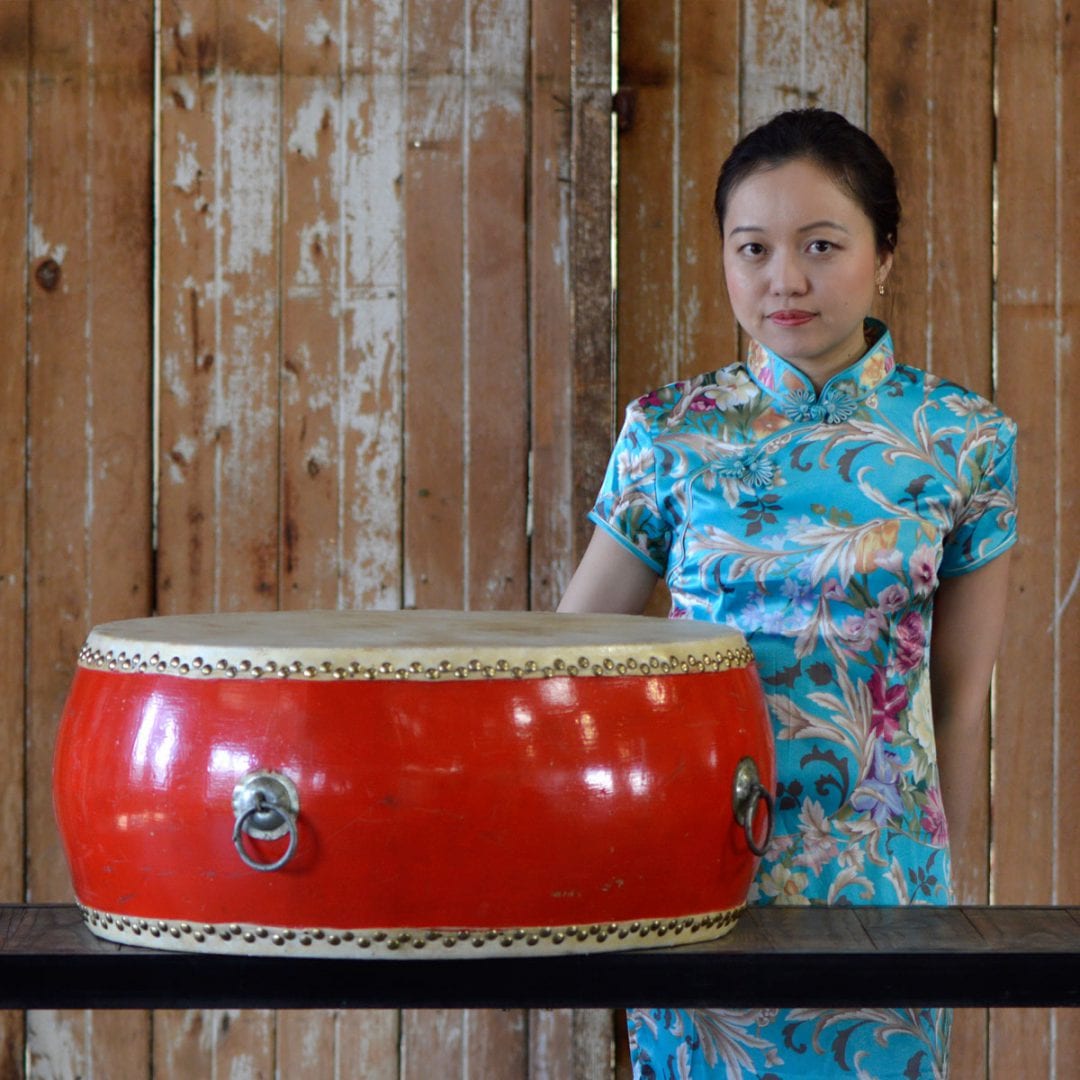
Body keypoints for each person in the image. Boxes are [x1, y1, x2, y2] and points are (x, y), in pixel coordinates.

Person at [558, 108, 1017, 1078]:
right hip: (701, 856)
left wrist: (952, 885)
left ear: (884, 252)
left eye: (820, 245)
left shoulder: (964, 439)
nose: (785, 280)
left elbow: (960, 693)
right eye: (753, 248)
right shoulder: (672, 433)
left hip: (885, 869)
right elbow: (571, 660)